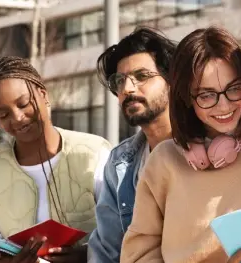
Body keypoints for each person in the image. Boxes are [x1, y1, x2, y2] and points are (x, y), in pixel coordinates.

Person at [120, 26, 241, 263]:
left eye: (234, 88)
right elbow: (137, 256)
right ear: (185, 99)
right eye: (206, 95)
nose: (224, 106)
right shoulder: (164, 160)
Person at [0, 56, 112, 263]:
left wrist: (87, 255)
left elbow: (122, 234)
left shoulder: (95, 153)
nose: (17, 117)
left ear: (43, 95)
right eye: (3, 114)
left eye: (23, 104)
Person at [88, 27, 176, 263]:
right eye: (120, 81)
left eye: (142, 76)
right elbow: (107, 251)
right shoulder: (119, 164)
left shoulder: (211, 150)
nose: (127, 88)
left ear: (170, 80)